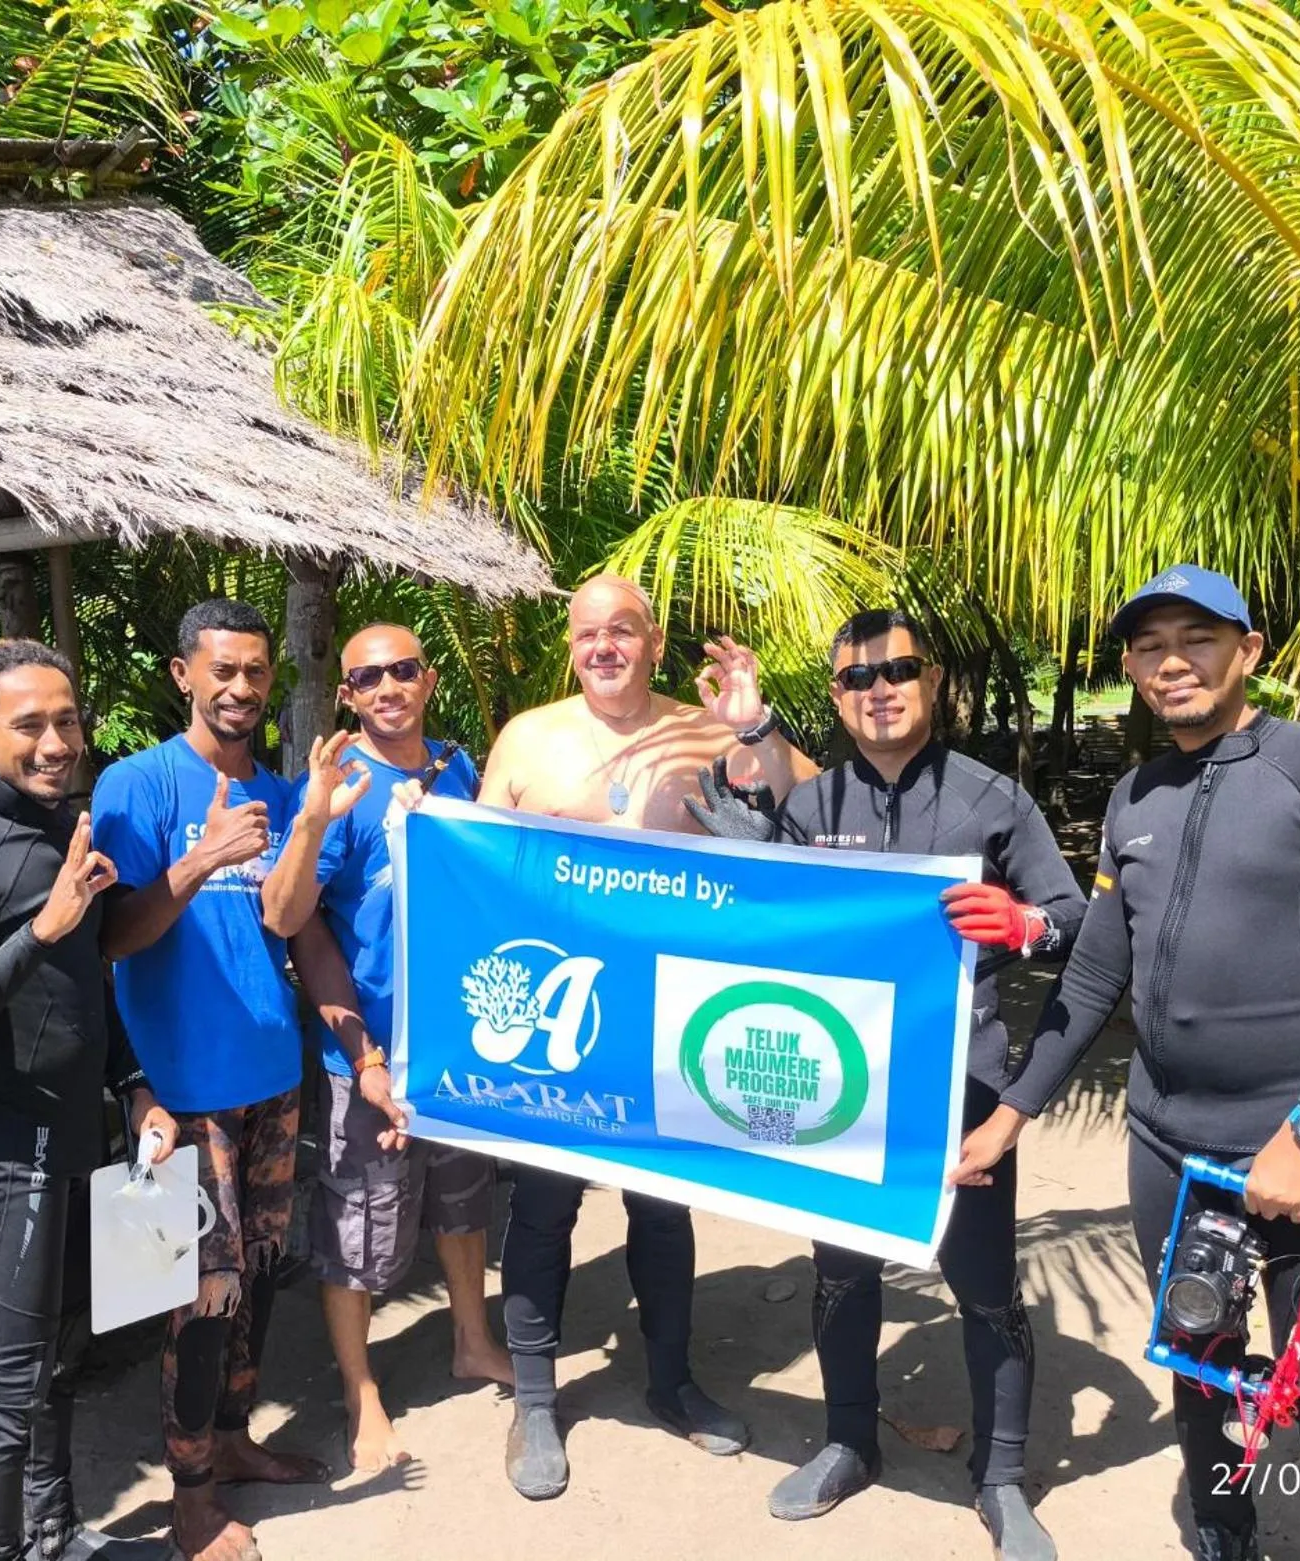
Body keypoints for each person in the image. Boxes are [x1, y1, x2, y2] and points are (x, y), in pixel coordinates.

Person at [953, 565, 1300, 1561]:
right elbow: (1092, 976)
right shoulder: (1135, 796)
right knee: (1201, 1360)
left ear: (1249, 650)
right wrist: (1008, 1115)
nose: (1171, 662)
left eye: (1197, 637)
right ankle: (1222, 1531)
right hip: (1168, 1147)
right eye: (1147, 646)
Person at [402, 573, 816, 1501]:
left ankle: (671, 1381)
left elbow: (817, 814)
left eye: (623, 631)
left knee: (665, 1208)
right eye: (589, 634)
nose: (605, 647)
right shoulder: (527, 738)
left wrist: (756, 729)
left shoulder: (709, 729)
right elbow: (462, 867)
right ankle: (537, 1400)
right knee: (543, 1212)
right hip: (559, 1018)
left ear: (654, 641)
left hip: (668, 1013)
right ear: (572, 645)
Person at [686, 608, 1080, 1559]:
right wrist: (743, 861)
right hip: (842, 1094)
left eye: (899, 669)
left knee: (983, 1285)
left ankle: (1001, 1478)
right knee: (842, 1271)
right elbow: (763, 943)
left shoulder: (994, 799)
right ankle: (848, 1440)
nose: (880, 689)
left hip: (964, 1091)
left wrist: (1023, 925)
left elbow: (1075, 915)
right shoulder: (812, 812)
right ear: (836, 696)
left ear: (931, 680)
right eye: (858, 678)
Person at [91, 599, 373, 1561]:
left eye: (256, 672)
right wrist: (201, 857)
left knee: (253, 1278)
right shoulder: (138, 787)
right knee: (197, 1296)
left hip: (269, 1078)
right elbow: (113, 938)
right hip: (182, 1089)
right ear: (184, 675)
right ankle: (191, 1498)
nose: (242, 688)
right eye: (224, 671)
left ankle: (234, 1439)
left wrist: (308, 822)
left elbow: (292, 921)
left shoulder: (290, 793)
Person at [0, 639, 178, 1561]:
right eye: (29, 725)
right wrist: (40, 930)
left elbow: (89, 986)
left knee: (63, 1356)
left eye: (66, 719)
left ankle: (53, 1535)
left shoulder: (71, 833)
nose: (57, 741)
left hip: (77, 1142)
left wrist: (135, 1089)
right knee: (12, 1381)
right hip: (5, 1152)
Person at [292, 621, 513, 1474]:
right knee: (358, 1225)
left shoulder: (459, 769)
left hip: (458, 1045)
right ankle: (362, 1391)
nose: (388, 686)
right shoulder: (337, 789)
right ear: (346, 694)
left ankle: (471, 1337)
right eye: (368, 677)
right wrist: (364, 1056)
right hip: (369, 1051)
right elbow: (301, 927)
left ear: (426, 679)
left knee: (463, 1199)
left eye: (403, 670)